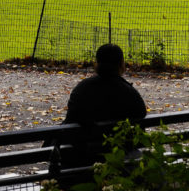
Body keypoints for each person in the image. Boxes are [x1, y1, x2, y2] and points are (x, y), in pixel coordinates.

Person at [52, 44, 147, 174]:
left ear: (97, 63)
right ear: (121, 64)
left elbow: (71, 121)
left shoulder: (82, 89)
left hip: (81, 158)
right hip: (116, 158)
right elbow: (141, 115)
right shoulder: (129, 93)